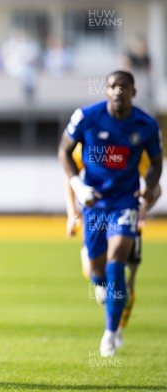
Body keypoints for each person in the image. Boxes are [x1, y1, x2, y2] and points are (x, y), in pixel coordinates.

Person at [58, 70, 162, 357]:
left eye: (124, 87)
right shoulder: (87, 118)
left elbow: (156, 163)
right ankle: (99, 283)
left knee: (118, 263)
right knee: (97, 269)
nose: (118, 91)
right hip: (93, 203)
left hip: (125, 203)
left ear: (133, 92)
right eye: (113, 86)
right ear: (106, 90)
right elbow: (64, 152)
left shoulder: (146, 125)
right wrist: (78, 188)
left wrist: (148, 189)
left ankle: (110, 333)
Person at [64, 143, 161, 348]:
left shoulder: (134, 143)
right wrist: (72, 212)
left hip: (125, 215)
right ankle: (102, 287)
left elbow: (156, 187)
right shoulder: (88, 141)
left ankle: (115, 331)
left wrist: (143, 208)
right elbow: (70, 176)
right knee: (95, 274)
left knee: (126, 281)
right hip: (96, 216)